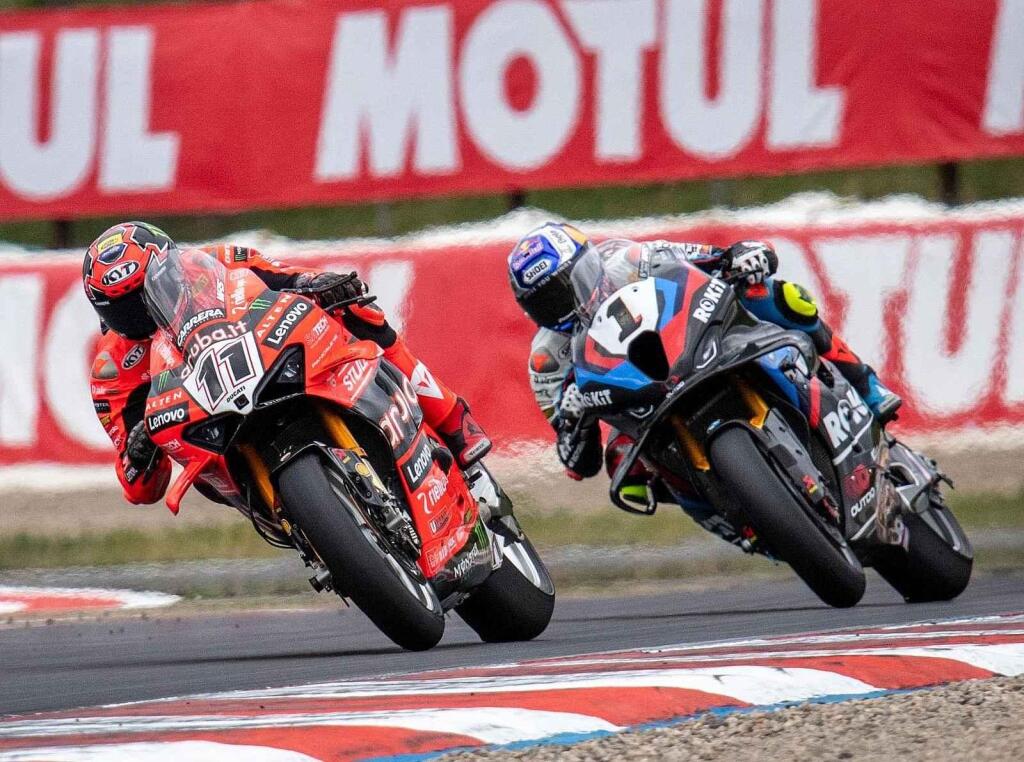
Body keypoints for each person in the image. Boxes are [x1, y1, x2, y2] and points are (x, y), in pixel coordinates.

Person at [84, 221, 490, 505]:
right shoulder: (110, 371)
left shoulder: (215, 262)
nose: (145, 309)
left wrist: (319, 285)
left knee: (354, 307)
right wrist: (139, 453)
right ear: (105, 313)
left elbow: (288, 278)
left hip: (269, 366)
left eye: (149, 289)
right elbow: (140, 489)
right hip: (216, 440)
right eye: (127, 308)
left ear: (172, 266)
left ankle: (453, 420)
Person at [507, 222, 901, 503]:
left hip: (693, 348)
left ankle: (865, 384)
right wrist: (573, 420)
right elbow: (577, 464)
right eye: (548, 301)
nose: (567, 301)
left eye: (570, 282)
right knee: (624, 470)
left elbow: (704, 259)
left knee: (777, 295)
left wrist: (742, 257)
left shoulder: (627, 259)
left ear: (590, 261)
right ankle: (726, 508)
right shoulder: (547, 361)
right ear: (531, 311)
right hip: (640, 407)